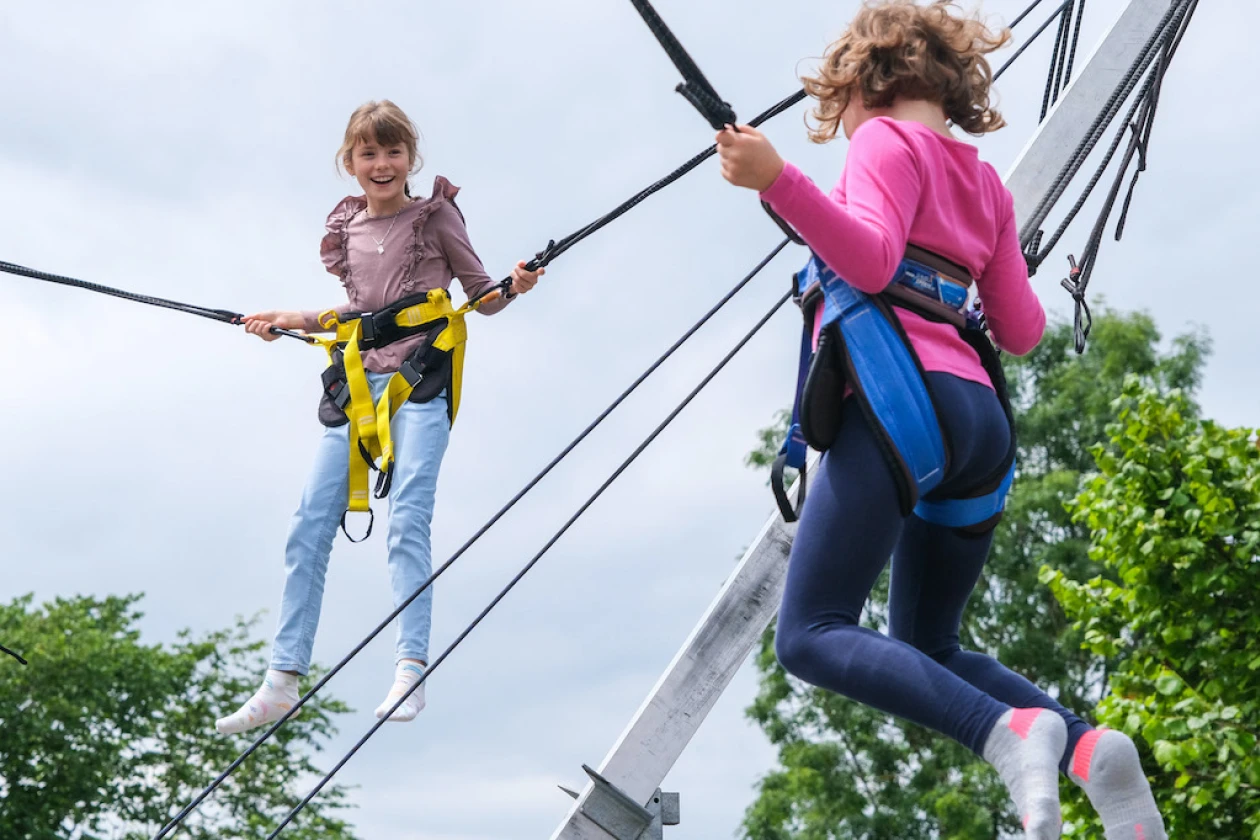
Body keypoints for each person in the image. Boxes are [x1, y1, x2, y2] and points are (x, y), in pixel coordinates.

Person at [715, 2, 1163, 838]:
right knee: (928, 643)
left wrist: (777, 179)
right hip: (979, 423)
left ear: (858, 84)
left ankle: (1004, 732)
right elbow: (1023, 332)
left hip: (900, 407)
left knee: (810, 635)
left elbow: (875, 257)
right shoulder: (984, 180)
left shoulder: (881, 142)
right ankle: (1089, 747)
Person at [216, 99, 543, 735]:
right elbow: (353, 310)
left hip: (421, 381)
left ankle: (410, 667)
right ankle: (283, 679)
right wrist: (281, 319)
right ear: (351, 163)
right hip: (360, 387)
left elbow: (483, 297)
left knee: (407, 520)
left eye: (393, 152)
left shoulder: (436, 217)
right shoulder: (349, 229)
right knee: (308, 524)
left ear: (409, 159)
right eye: (369, 153)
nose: (382, 163)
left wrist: (514, 285)